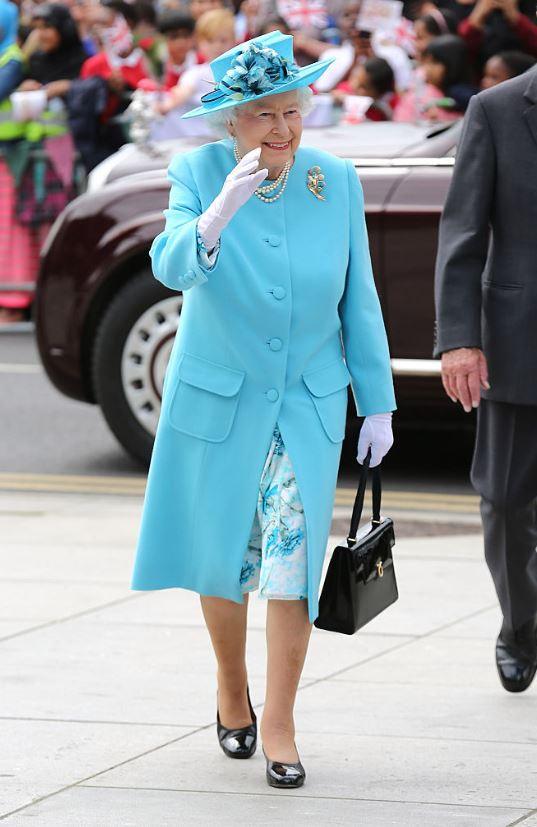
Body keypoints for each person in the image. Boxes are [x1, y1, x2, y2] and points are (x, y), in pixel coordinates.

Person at [131, 31, 396, 788]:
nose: (282, 129)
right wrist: (218, 210)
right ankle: (229, 686)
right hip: (221, 399)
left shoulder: (334, 179)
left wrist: (374, 402)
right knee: (223, 552)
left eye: (292, 112)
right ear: (230, 123)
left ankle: (278, 719)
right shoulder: (195, 170)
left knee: (292, 564)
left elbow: (359, 298)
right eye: (263, 116)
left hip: (307, 402)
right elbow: (173, 262)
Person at [434, 64, 537, 693]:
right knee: (502, 501)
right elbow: (462, 232)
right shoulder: (497, 110)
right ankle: (519, 627)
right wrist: (460, 339)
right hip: (516, 338)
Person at [157, 8, 235, 115]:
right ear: (199, 42)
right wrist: (167, 105)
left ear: (234, 40)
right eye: (210, 41)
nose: (217, 46)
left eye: (223, 40)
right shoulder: (196, 72)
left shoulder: (242, 69)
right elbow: (184, 90)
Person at [395, 34, 476, 121]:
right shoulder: (433, 89)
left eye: (434, 63)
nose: (428, 69)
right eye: (427, 63)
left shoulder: (462, 94)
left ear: (453, 65)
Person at [334, 56, 399, 121]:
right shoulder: (347, 89)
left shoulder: (391, 107)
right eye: (355, 78)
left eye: (363, 87)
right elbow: (336, 93)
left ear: (381, 93)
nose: (354, 86)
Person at [157, 11, 198, 89]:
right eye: (174, 36)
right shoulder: (160, 64)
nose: (181, 42)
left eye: (186, 35)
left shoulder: (201, 62)